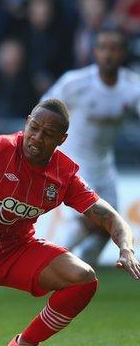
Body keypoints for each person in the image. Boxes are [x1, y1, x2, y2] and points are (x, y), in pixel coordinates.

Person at [0, 99, 140, 346]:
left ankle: (24, 343)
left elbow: (111, 217)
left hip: (16, 250)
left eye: (48, 134)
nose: (37, 138)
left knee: (83, 278)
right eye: (34, 128)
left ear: (62, 140)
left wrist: (126, 248)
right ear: (27, 123)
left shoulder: (63, 175)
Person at [40, 28, 140, 265]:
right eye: (103, 48)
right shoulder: (75, 83)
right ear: (95, 52)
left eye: (113, 49)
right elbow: (44, 109)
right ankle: (48, 260)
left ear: (123, 54)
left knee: (111, 226)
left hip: (104, 164)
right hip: (74, 160)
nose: (108, 54)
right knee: (93, 218)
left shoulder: (132, 87)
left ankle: (80, 270)